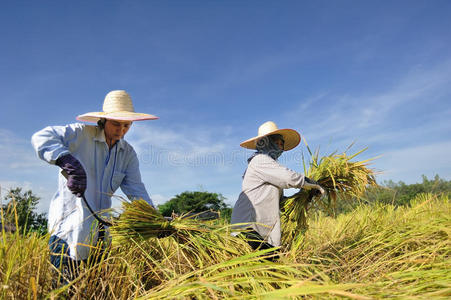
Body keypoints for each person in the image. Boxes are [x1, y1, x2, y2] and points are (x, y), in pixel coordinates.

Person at [31, 90, 158, 281]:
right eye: (116, 124)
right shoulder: (80, 135)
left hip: (100, 238)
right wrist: (67, 162)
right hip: (68, 234)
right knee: (65, 291)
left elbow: (137, 190)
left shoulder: (127, 154)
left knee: (96, 290)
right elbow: (42, 137)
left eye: (126, 125)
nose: (121, 130)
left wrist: (154, 219)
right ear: (103, 120)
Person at [231, 121, 324, 257]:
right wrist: (312, 183)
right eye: (277, 143)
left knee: (268, 266)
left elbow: (281, 203)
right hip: (248, 228)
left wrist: (304, 196)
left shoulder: (270, 167)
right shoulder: (260, 160)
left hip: (260, 230)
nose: (280, 147)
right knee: (268, 265)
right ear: (266, 142)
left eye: (282, 144)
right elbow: (290, 178)